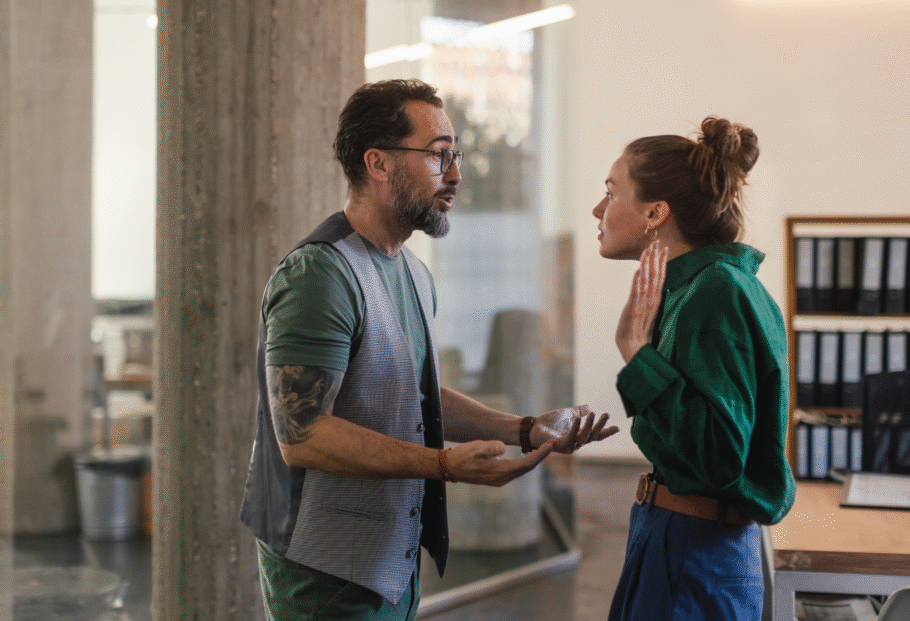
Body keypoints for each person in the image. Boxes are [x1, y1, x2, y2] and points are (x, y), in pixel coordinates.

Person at [240, 78, 618, 621]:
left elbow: (415, 395)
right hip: (323, 575)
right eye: (440, 155)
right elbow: (302, 434)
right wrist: (442, 464)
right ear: (378, 163)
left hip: (388, 562)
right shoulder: (319, 275)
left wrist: (527, 429)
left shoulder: (412, 272)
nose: (457, 174)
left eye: (455, 155)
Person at [594, 116, 796, 621]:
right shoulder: (697, 289)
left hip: (694, 553)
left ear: (656, 212)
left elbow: (715, 459)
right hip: (676, 542)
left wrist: (637, 354)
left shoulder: (716, 291)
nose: (598, 209)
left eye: (611, 193)